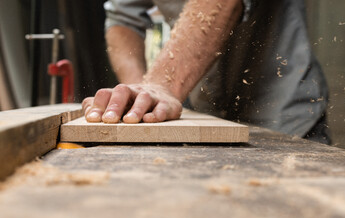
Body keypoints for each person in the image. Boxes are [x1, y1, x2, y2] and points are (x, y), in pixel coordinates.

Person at [82, 0, 331, 144]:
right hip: (207, 113)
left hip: (285, 113)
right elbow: (123, 20)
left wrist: (161, 85)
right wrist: (141, 100)